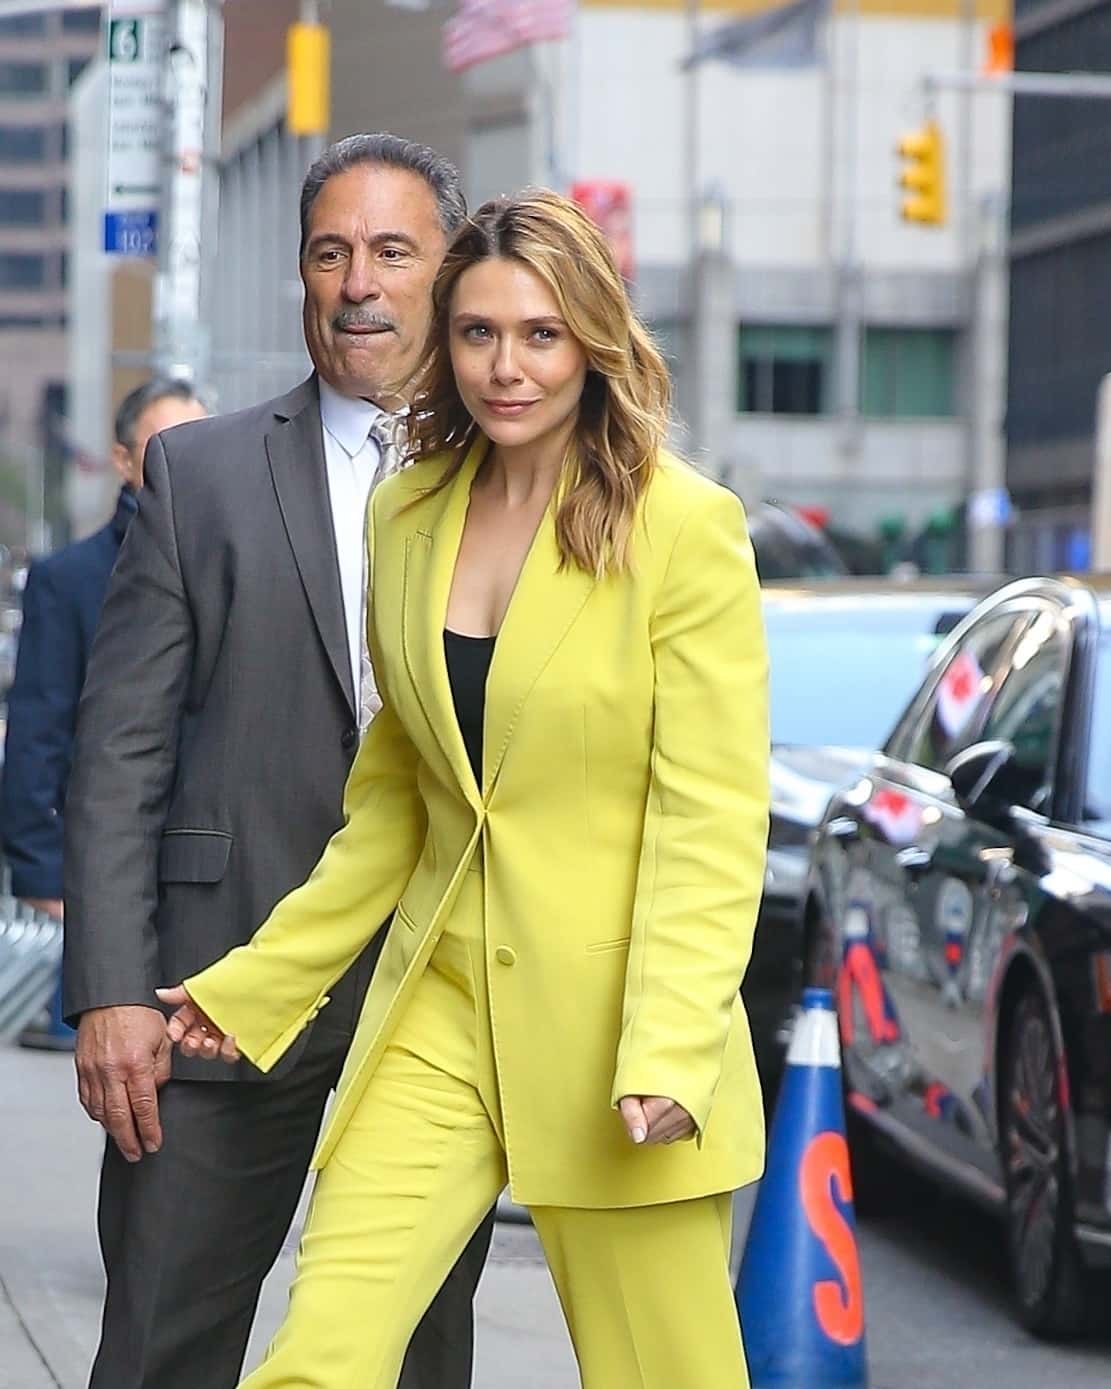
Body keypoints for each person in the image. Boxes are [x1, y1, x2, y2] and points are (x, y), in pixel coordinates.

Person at [159, 188, 771, 1388]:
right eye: (480, 332)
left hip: (613, 1031)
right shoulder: (410, 512)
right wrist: (261, 983)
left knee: (667, 1374)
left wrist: (668, 1042)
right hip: (436, 1010)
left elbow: (706, 820)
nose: (507, 367)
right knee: (318, 1355)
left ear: (594, 341)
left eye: (540, 334)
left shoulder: (683, 529)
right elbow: (396, 799)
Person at [63, 134, 492, 1389]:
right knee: (160, 1348)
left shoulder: (516, 475)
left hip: (435, 995)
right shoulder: (200, 474)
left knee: (413, 1358)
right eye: (330, 252)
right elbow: (117, 751)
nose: (358, 282)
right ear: (302, 278)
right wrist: (111, 989)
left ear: (449, 269)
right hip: (211, 1003)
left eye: (392, 252)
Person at [0, 378, 206, 1051]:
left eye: (200, 442)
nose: (188, 460)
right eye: (165, 445)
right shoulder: (70, 578)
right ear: (124, 460)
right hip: (105, 869)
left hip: (208, 869)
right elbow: (38, 730)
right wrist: (40, 870)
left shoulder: (234, 562)